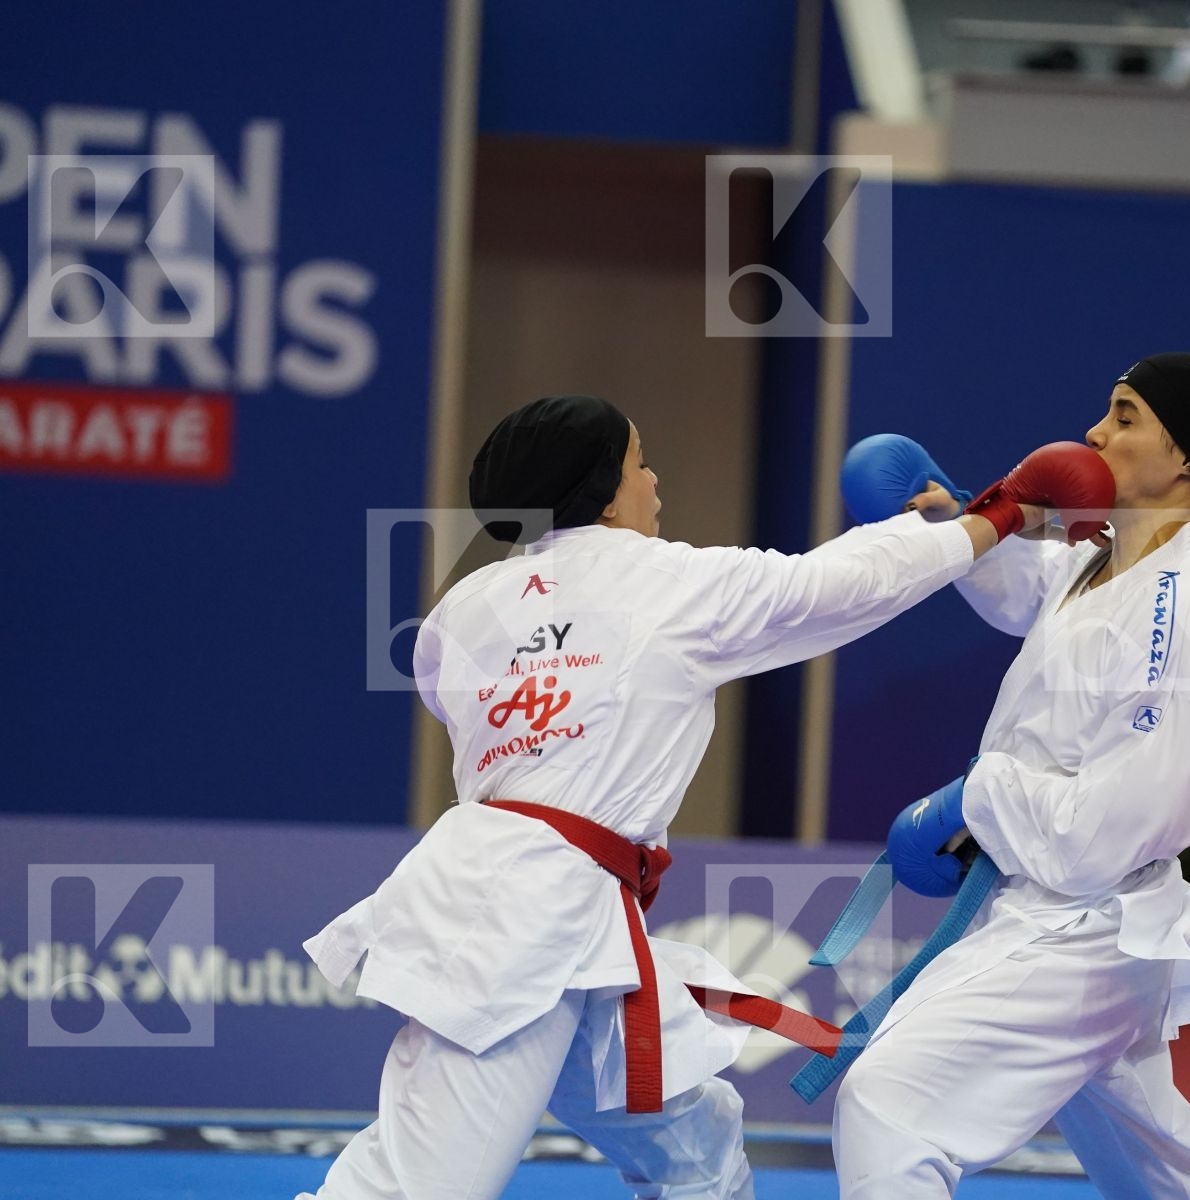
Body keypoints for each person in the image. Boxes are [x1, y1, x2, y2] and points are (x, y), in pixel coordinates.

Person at [293, 393, 1089, 1200]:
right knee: (419, 1184)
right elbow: (840, 586)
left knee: (696, 1145)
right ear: (607, 491)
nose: (654, 477)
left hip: (572, 926)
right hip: (514, 930)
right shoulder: (665, 583)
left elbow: (453, 696)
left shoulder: (460, 610)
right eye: (640, 462)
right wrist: (996, 517)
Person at [830, 353, 1190, 1199]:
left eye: (1124, 414)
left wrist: (976, 795)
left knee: (889, 1105)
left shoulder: (1181, 606)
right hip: (1067, 910)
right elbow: (1031, 601)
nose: (1094, 432)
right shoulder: (1104, 557)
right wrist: (963, 524)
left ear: (1185, 455)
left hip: (1084, 929)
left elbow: (1103, 835)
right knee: (1173, 1176)